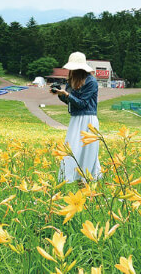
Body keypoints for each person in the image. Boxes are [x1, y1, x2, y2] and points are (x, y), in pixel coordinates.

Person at [51, 51, 102, 183]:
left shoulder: (91, 82)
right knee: (71, 148)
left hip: (88, 119)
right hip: (76, 119)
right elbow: (71, 102)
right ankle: (68, 178)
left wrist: (67, 95)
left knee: (88, 151)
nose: (70, 71)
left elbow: (82, 103)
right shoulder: (71, 81)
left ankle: (88, 179)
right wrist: (60, 94)